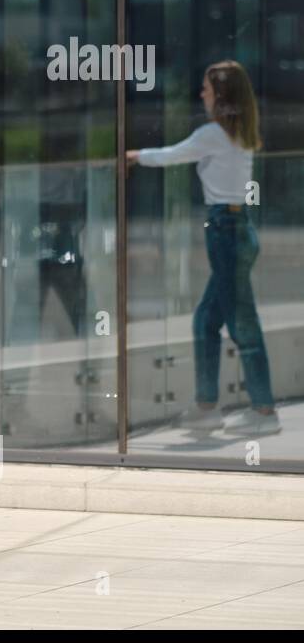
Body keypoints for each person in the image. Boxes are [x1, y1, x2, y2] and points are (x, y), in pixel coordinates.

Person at [127, 59, 279, 437]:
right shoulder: (240, 133)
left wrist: (135, 157)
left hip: (226, 230)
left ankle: (263, 411)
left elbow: (173, 154)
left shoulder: (214, 134)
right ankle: (208, 405)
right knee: (207, 320)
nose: (202, 94)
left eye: (207, 89)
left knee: (242, 323)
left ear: (221, 95)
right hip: (236, 227)